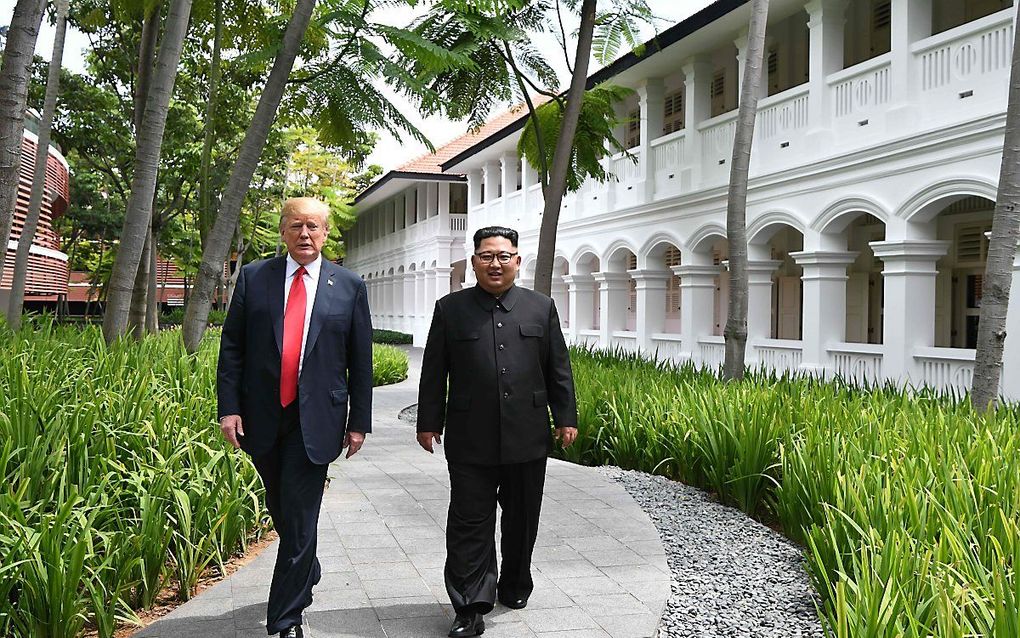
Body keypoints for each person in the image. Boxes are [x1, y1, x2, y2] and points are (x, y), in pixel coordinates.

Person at [217, 197, 373, 638]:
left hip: (319, 418)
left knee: (302, 515)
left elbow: (359, 360)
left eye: (314, 227)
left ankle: (285, 618)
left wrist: (358, 421)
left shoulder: (348, 285)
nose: (305, 234)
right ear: (282, 231)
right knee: (282, 508)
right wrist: (229, 408)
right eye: (296, 226)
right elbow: (232, 350)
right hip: (263, 416)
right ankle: (308, 564)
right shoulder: (253, 278)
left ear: (326, 233)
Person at [416, 226, 579, 638]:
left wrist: (565, 416)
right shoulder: (450, 309)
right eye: (486, 256)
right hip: (470, 438)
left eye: (503, 256)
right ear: (473, 262)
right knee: (470, 521)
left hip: (527, 436)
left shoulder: (540, 307)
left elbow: (558, 367)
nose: (495, 263)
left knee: (523, 518)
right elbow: (434, 371)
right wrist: (429, 422)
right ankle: (470, 606)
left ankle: (515, 581)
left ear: (517, 261)